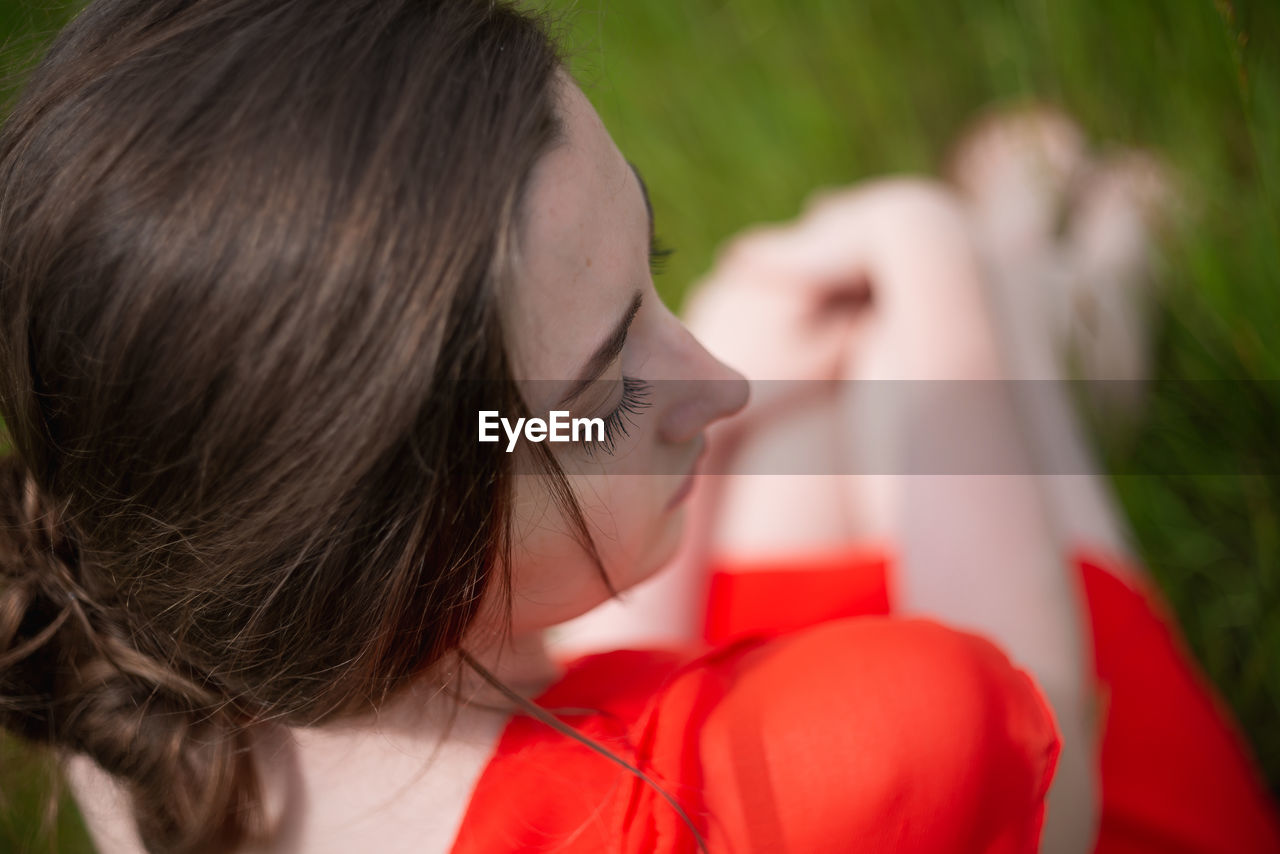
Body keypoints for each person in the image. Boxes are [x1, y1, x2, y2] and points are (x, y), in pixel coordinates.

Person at [0, 3, 1272, 854]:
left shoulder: (143, 688)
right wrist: (926, 262)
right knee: (891, 360)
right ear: (391, 538)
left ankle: (1048, 290)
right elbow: (1046, 728)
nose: (706, 375)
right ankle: (1039, 294)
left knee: (789, 403)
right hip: (1069, 794)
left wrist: (645, 379)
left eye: (650, 264)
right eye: (611, 378)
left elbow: (549, 743)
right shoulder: (886, 726)